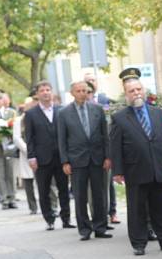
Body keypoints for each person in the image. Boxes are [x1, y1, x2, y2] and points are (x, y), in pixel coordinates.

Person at [110, 68, 162, 256]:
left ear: (144, 91)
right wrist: (117, 171)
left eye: (139, 89)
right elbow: (115, 146)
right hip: (135, 170)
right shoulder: (119, 118)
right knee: (137, 209)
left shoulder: (157, 113)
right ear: (126, 95)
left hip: (158, 168)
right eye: (132, 91)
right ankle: (139, 243)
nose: (136, 93)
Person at [57, 81, 112, 241]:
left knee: (99, 195)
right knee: (80, 196)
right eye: (79, 91)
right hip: (76, 160)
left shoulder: (97, 110)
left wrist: (108, 156)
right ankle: (84, 229)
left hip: (97, 159)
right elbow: (62, 139)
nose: (82, 93)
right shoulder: (64, 113)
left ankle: (100, 227)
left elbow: (105, 135)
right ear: (72, 93)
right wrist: (65, 161)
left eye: (85, 90)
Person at [24, 81, 73, 230]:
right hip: (41, 158)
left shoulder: (61, 110)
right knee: (44, 190)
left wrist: (68, 156)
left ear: (51, 92)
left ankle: (66, 219)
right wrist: (31, 157)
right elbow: (29, 137)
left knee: (64, 189)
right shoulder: (31, 114)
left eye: (48, 90)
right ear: (37, 94)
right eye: (42, 90)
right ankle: (49, 219)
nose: (45, 93)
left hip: (61, 158)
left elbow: (68, 135)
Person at [85, 74, 118, 225]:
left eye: (93, 80)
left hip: (104, 152)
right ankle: (98, 216)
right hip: (87, 155)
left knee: (108, 184)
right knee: (93, 188)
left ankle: (112, 212)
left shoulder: (104, 101)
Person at [13, 97, 38, 214]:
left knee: (45, 181)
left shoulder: (38, 117)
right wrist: (29, 150)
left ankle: (49, 206)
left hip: (41, 154)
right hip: (26, 154)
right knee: (28, 182)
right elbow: (16, 138)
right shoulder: (19, 120)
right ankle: (32, 206)